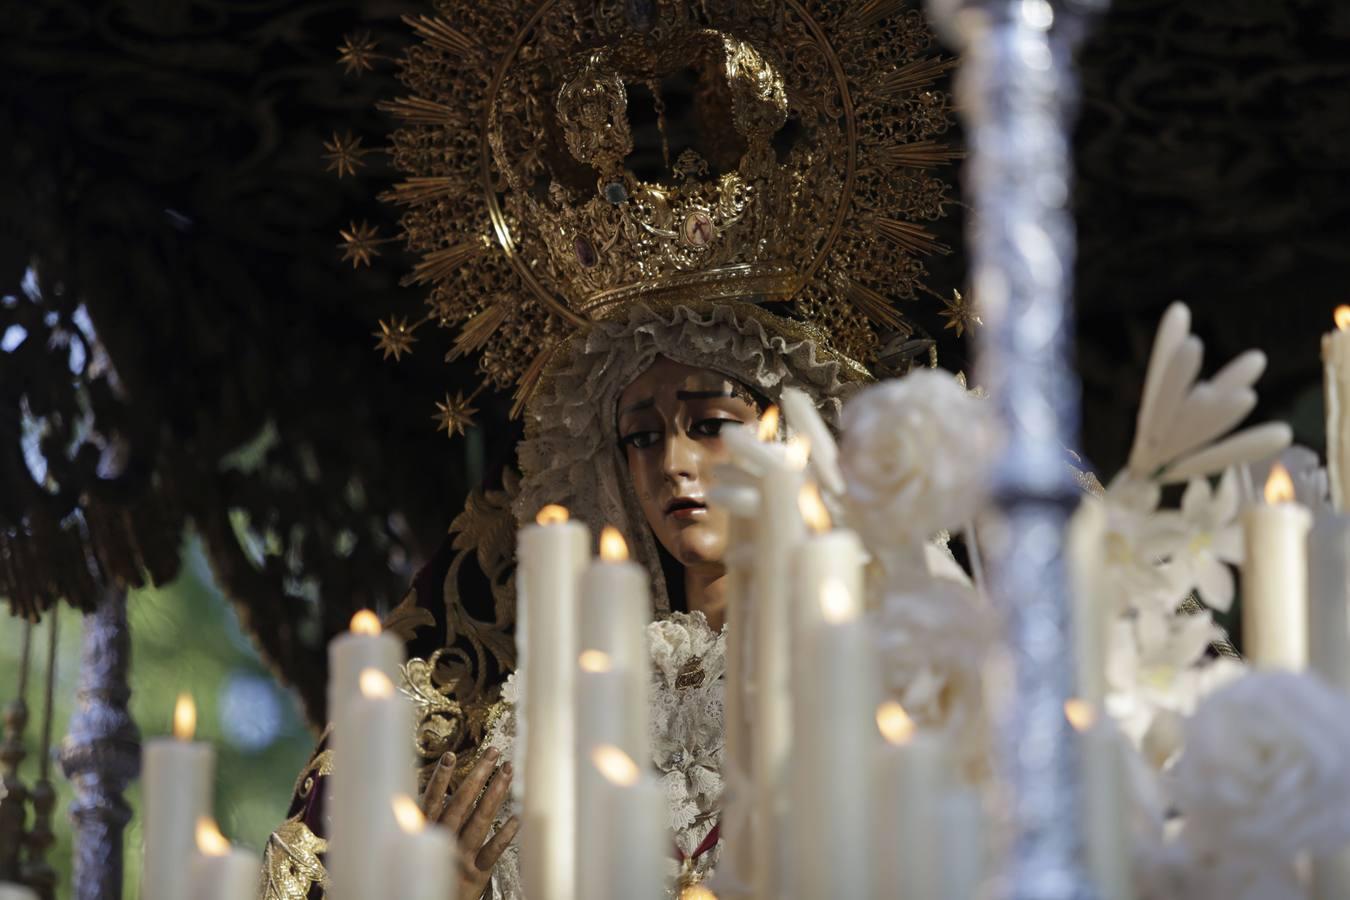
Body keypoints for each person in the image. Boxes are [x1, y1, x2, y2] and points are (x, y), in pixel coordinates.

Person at [260, 2, 957, 897]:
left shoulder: (890, 665)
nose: (672, 465)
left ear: (790, 432)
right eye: (641, 437)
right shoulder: (547, 717)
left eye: (710, 424)